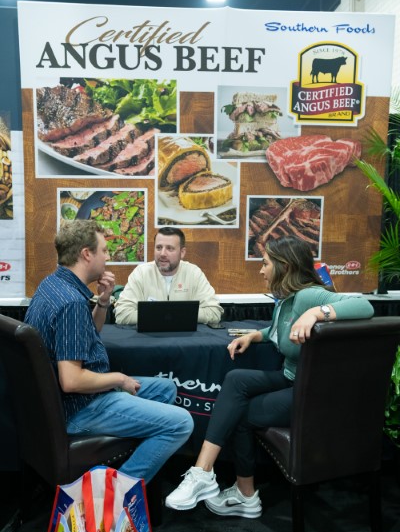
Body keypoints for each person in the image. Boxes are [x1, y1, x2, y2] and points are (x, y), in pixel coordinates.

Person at [165, 236, 375, 516]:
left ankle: (243, 494)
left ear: (284, 266)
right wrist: (255, 335)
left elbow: (364, 306)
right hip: (291, 378)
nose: (261, 270)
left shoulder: (307, 296)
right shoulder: (286, 300)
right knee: (236, 379)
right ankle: (205, 474)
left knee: (238, 413)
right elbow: (279, 331)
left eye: (265, 264)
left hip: (312, 393)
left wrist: (316, 313)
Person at [25, 220, 194, 484]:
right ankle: (117, 492)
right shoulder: (71, 303)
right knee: (182, 423)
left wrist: (103, 301)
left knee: (165, 389)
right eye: (104, 250)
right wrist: (118, 379)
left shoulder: (53, 285)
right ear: (86, 254)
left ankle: (133, 460)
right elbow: (71, 381)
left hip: (69, 401)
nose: (107, 256)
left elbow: (83, 335)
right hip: (81, 407)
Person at [114, 227, 223, 325]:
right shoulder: (141, 273)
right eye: (159, 247)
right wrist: (168, 315)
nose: (162, 254)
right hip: (149, 339)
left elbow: (214, 312)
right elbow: (122, 314)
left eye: (170, 248)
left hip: (185, 339)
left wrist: (171, 315)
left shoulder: (193, 273)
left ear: (182, 252)